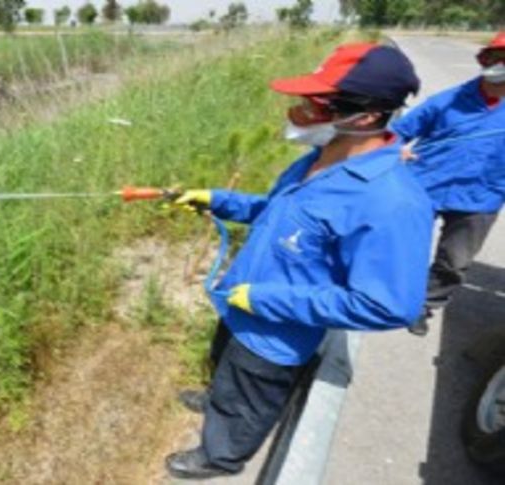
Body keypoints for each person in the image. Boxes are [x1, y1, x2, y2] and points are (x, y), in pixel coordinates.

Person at [164, 43, 434, 479]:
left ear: (364, 116)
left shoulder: (391, 202)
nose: (298, 111)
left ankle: (220, 456)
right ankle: (218, 399)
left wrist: (267, 300)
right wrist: (218, 200)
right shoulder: (320, 159)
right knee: (227, 373)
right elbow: (276, 214)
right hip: (241, 304)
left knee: (247, 396)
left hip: (274, 333)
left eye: (315, 103)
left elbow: (389, 305)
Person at [392, 32, 505, 336]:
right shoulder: (448, 101)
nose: (501, 65)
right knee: (402, 246)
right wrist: (396, 149)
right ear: (486, 60)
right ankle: (394, 296)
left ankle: (423, 305)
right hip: (425, 187)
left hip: (480, 199)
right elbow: (397, 132)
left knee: (455, 262)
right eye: (497, 58)